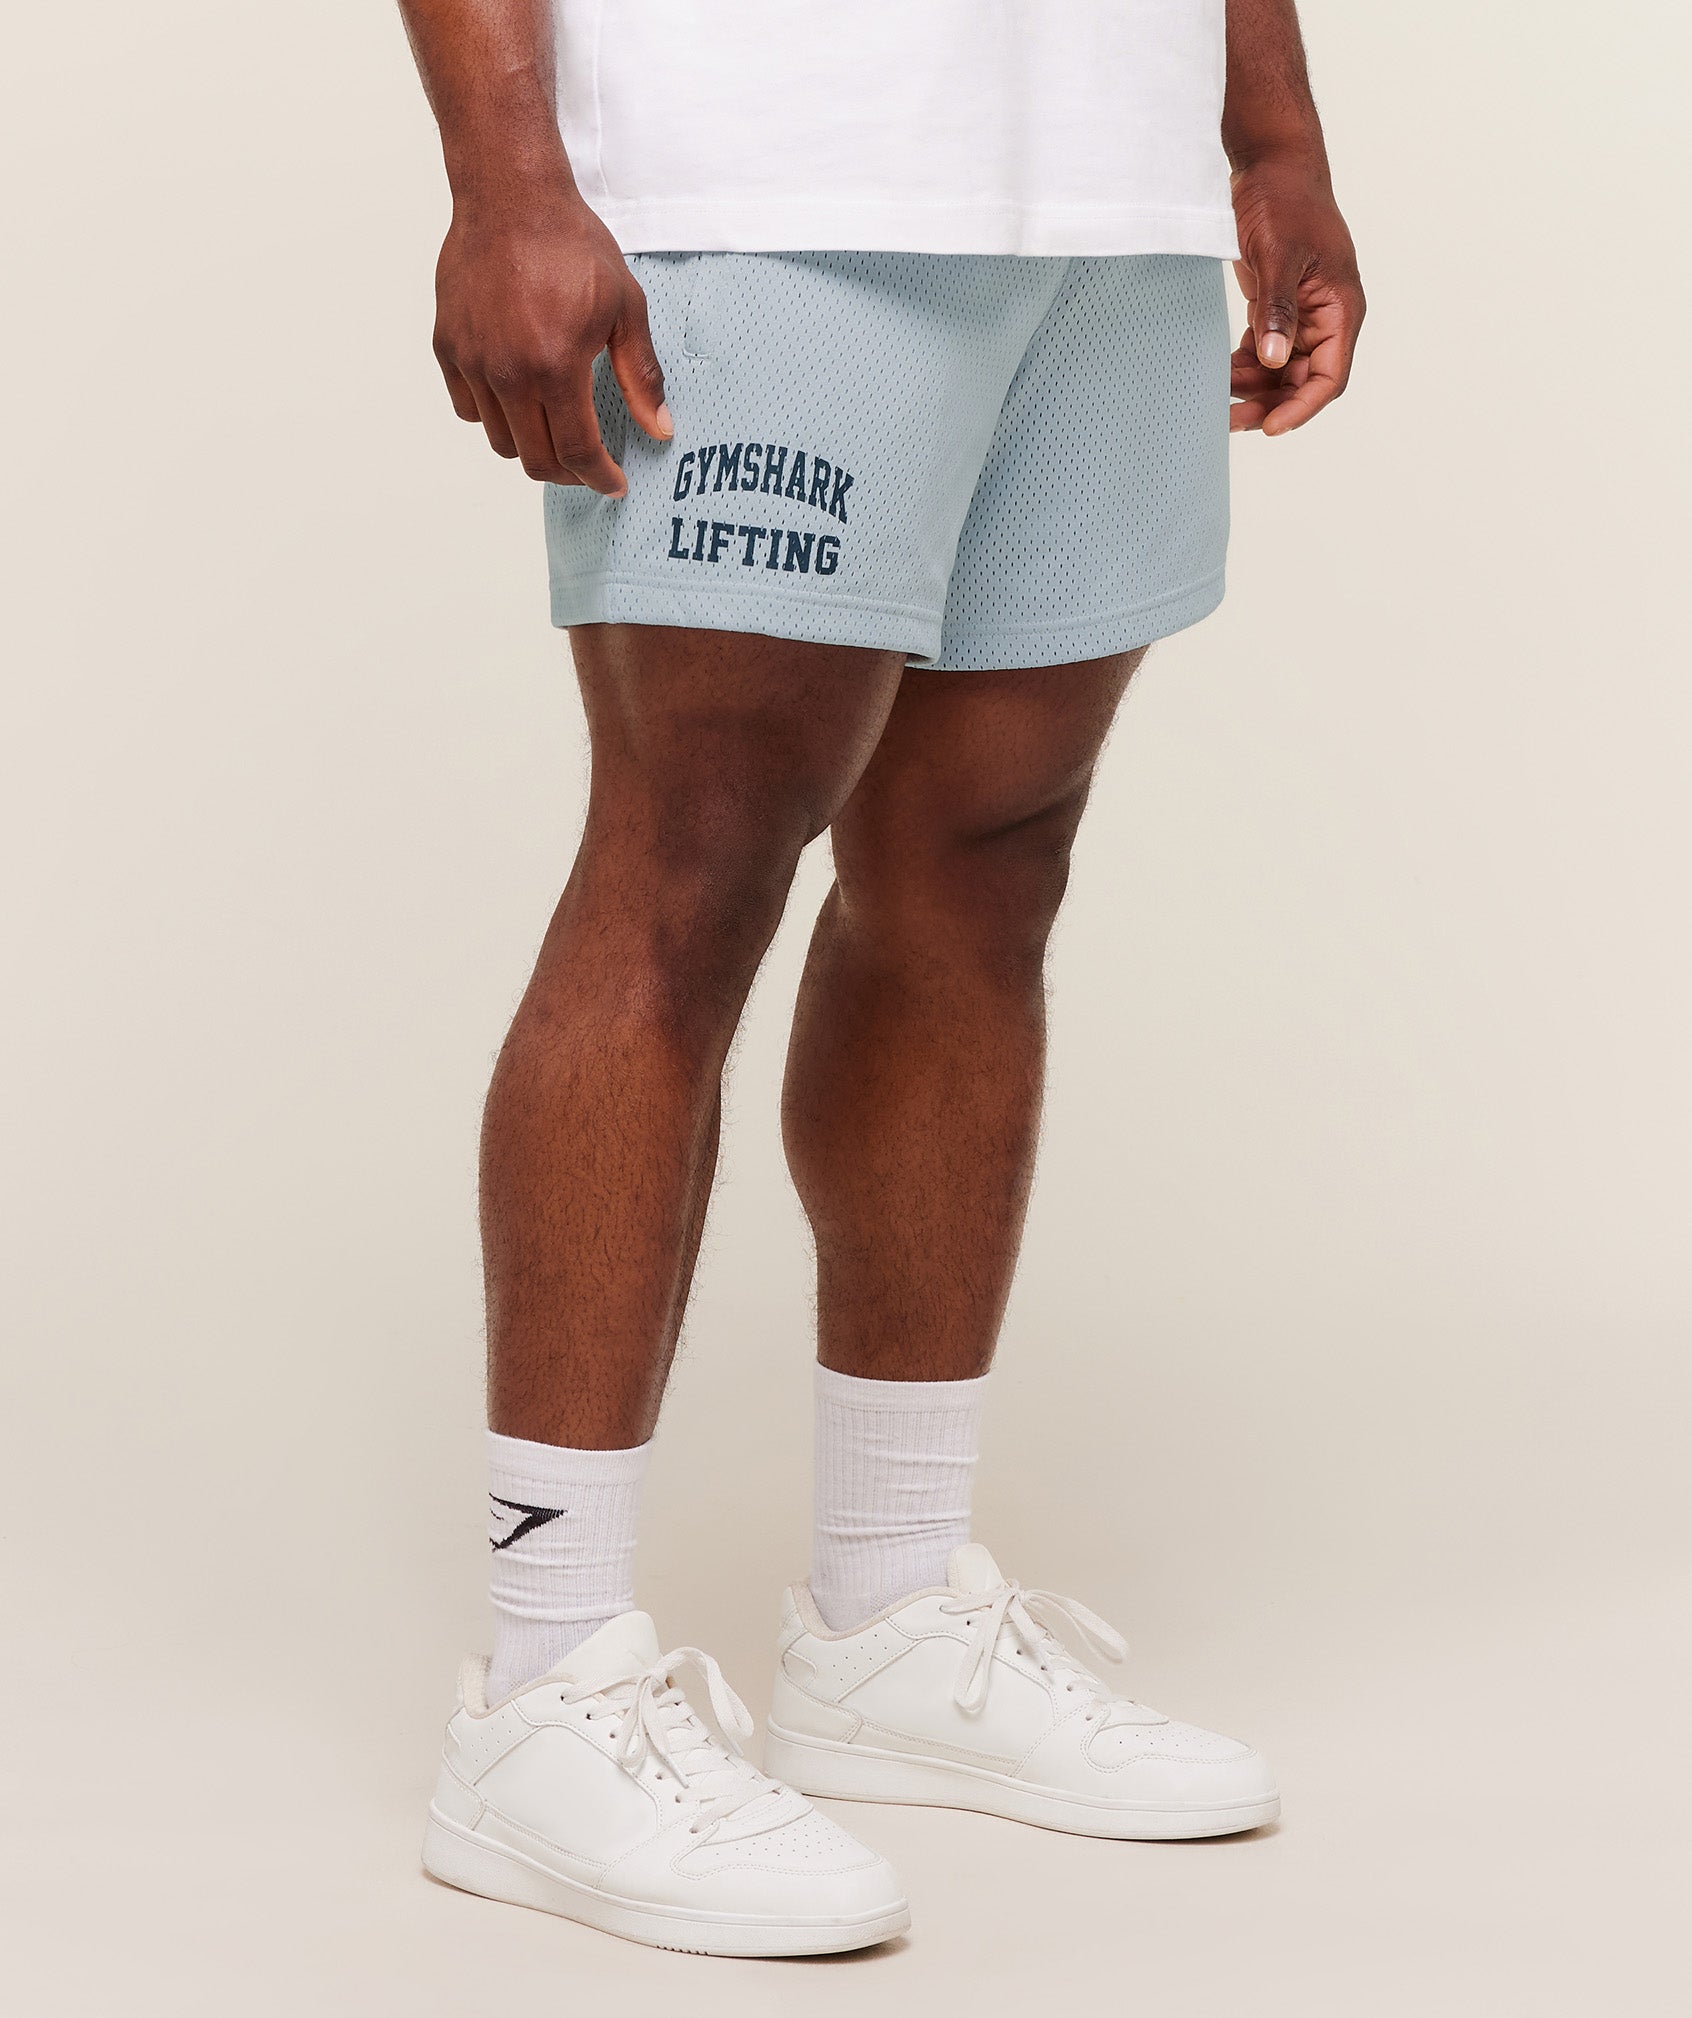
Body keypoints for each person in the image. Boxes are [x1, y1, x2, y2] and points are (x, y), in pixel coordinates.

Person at [400, 0, 1363, 1957]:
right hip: (764, 181)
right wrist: (504, 178)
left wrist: (1269, 132)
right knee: (689, 869)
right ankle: (543, 1687)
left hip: (1107, 199)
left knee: (981, 870)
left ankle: (891, 1617)